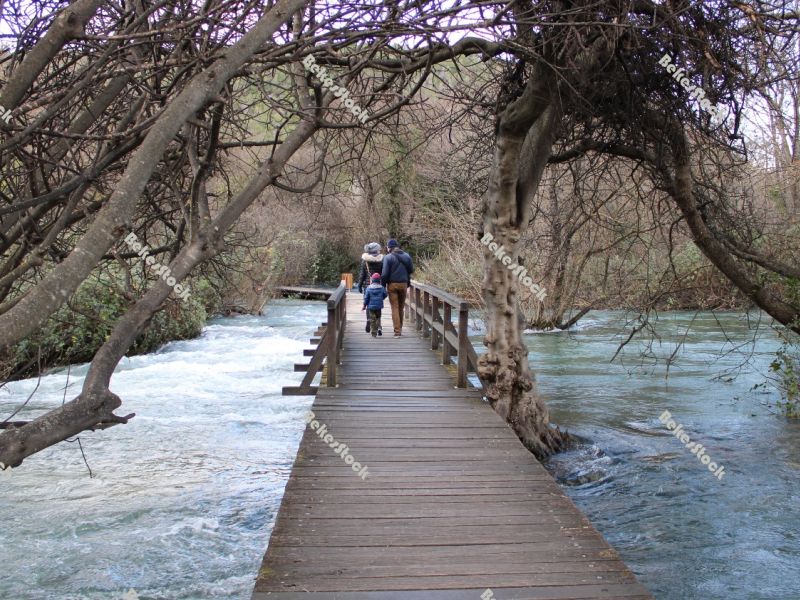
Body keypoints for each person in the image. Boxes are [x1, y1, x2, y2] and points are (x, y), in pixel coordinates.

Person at [380, 239, 414, 337]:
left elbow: (385, 274)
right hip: (403, 284)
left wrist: (383, 285)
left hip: (392, 285)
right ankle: (400, 329)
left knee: (394, 307)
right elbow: (411, 270)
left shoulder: (388, 257)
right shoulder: (407, 256)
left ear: (389, 247)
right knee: (401, 307)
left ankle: (397, 332)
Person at [357, 242, 384, 334]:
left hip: (367, 285)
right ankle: (378, 324)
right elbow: (383, 274)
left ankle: (369, 319)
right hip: (379, 285)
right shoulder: (381, 260)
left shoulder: (365, 260)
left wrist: (359, 285)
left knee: (368, 303)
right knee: (378, 304)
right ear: (376, 250)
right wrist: (384, 285)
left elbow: (362, 274)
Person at [362, 273, 388, 337]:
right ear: (379, 280)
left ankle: (374, 332)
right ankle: (379, 328)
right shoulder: (381, 288)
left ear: (372, 280)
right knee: (378, 318)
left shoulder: (368, 288)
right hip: (379, 306)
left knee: (372, 319)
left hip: (370, 307)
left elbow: (366, 298)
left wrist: (364, 305)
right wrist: (381, 298)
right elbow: (385, 294)